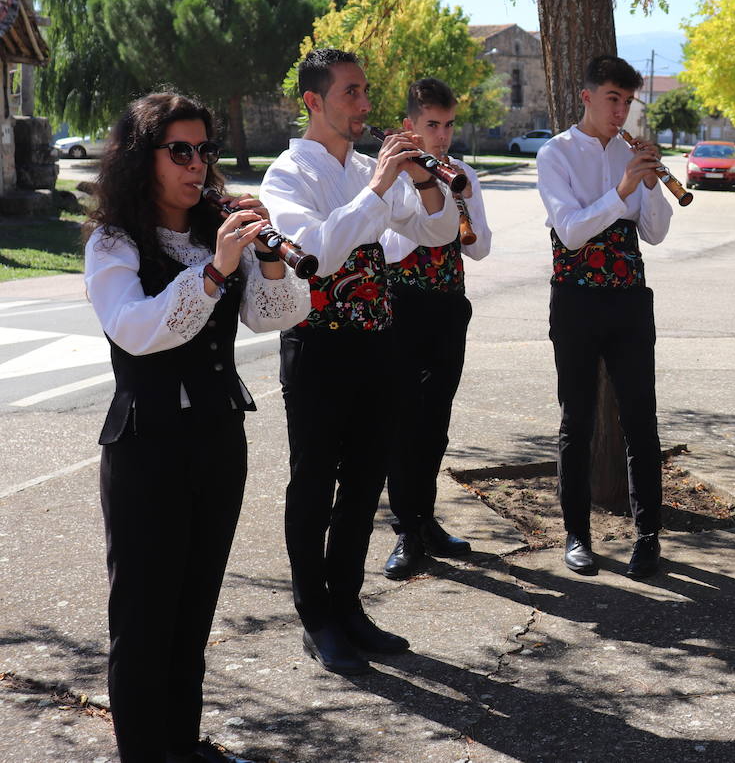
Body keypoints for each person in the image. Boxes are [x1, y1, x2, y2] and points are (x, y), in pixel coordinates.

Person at [85, 92, 310, 762]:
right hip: (147, 449)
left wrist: (267, 254)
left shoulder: (216, 227)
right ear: (141, 157)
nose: (195, 164)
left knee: (192, 611)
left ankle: (181, 745)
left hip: (217, 441)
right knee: (143, 620)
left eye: (203, 150)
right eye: (178, 150)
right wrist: (213, 268)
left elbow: (273, 317)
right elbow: (135, 328)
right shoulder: (115, 241)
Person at [260, 48, 460, 675]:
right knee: (314, 483)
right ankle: (314, 616)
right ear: (313, 101)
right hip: (318, 344)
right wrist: (380, 189)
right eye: (352, 92)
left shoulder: (373, 167)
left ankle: (347, 607)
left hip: (378, 340)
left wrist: (425, 180)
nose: (367, 106)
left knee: (365, 480)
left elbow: (437, 233)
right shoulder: (287, 175)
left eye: (366, 91)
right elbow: (313, 250)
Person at [537, 55, 673, 579]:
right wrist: (620, 191)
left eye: (628, 101)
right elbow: (570, 231)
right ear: (587, 96)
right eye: (613, 99)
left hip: (629, 299)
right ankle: (577, 535)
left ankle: (648, 535)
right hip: (575, 299)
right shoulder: (556, 154)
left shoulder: (630, 154)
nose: (621, 111)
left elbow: (656, 232)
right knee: (578, 420)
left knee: (641, 418)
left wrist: (652, 182)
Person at [378, 78, 493, 579]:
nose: (442, 137)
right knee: (402, 420)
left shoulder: (462, 172)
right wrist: (428, 191)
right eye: (432, 126)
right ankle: (405, 528)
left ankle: (425, 519)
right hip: (401, 307)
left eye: (448, 126)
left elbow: (479, 247)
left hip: (448, 306)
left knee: (436, 423)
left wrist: (456, 196)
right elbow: (392, 249)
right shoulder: (392, 177)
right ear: (410, 127)